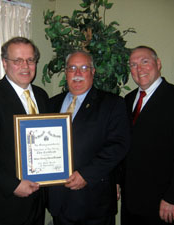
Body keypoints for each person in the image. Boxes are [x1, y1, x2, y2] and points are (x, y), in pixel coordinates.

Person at [47, 50, 130, 225]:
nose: (77, 74)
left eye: (84, 68)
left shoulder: (112, 104)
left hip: (93, 203)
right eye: (72, 68)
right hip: (58, 201)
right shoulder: (51, 103)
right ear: (66, 72)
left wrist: (86, 174)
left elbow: (118, 145)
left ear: (92, 72)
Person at [120, 46, 174, 225]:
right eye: (133, 64)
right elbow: (124, 146)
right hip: (130, 201)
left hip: (161, 203)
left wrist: (173, 198)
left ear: (158, 64)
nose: (139, 68)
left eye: (144, 62)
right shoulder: (127, 100)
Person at [0, 37, 48, 225]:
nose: (25, 66)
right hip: (5, 205)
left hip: (37, 201)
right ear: (5, 63)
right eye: (18, 60)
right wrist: (13, 185)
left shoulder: (42, 95)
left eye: (30, 60)